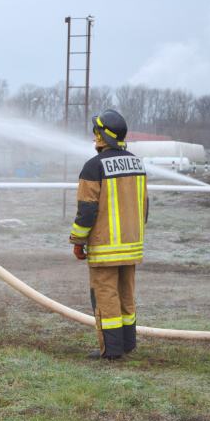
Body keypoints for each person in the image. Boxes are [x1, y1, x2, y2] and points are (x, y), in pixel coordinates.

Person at [69, 110, 148, 361]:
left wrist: (78, 240)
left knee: (106, 297)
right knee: (126, 295)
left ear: (103, 136)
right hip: (132, 246)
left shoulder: (93, 167)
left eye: (96, 133)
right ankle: (127, 344)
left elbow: (87, 210)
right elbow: (144, 205)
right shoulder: (137, 162)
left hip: (105, 248)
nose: (94, 139)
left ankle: (111, 350)